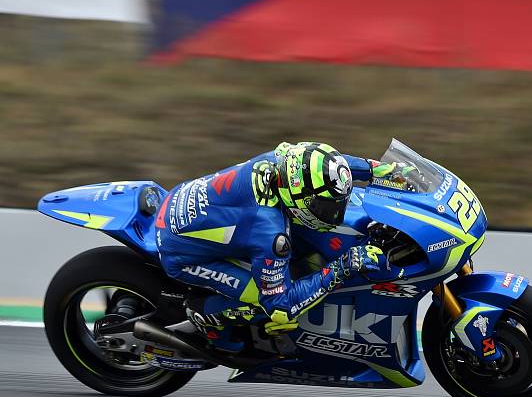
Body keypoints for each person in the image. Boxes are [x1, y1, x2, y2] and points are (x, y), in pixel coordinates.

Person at [154, 141, 410, 351]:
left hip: (184, 204)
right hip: (182, 254)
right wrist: (342, 267)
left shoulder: (284, 159)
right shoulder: (270, 235)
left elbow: (327, 165)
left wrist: (378, 169)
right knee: (271, 311)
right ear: (295, 197)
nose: (334, 213)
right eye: (323, 207)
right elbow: (281, 304)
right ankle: (206, 314)